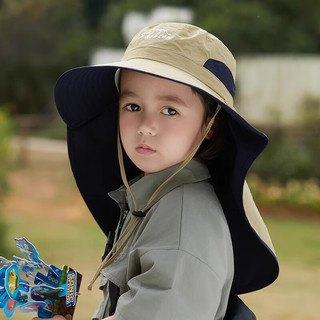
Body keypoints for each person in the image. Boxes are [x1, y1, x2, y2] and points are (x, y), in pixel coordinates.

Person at [43, 23, 279, 320]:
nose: (145, 126)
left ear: (210, 125)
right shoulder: (155, 200)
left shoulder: (183, 218)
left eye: (170, 110)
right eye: (132, 106)